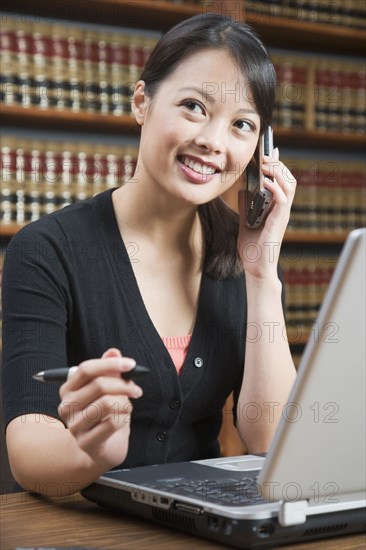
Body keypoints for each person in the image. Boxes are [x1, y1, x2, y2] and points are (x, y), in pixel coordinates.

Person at [2, 13, 297, 496]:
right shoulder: (47, 249)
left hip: (202, 523)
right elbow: (26, 450)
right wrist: (91, 452)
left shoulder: (248, 256)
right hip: (81, 528)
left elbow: (269, 439)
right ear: (142, 102)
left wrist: (262, 272)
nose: (213, 142)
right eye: (194, 107)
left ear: (262, 149)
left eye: (242, 124)